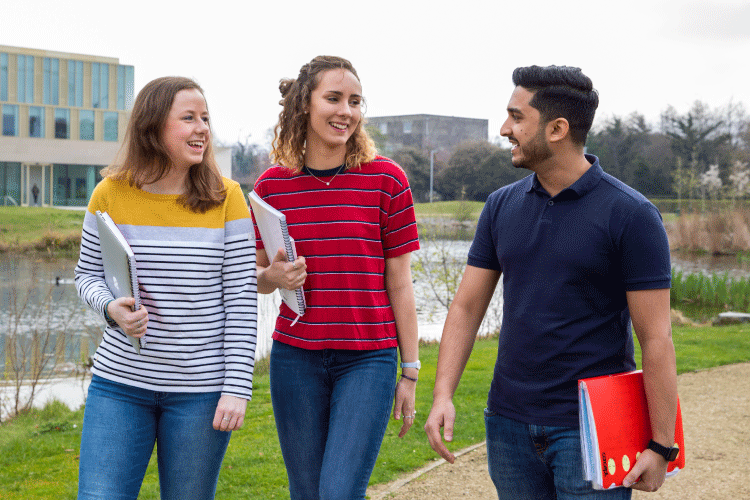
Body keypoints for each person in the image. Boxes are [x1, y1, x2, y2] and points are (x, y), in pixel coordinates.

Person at [424, 65, 678, 499]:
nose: (505, 129)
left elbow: (656, 337)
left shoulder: (632, 215)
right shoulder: (500, 206)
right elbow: (466, 308)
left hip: (592, 428)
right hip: (507, 423)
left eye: (517, 117)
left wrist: (661, 445)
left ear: (557, 129)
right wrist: (442, 394)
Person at [74, 76, 257, 500]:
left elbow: (241, 301)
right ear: (153, 126)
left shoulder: (228, 198)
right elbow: (87, 276)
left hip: (200, 394)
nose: (202, 128)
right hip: (119, 384)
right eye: (188, 118)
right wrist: (110, 308)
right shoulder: (110, 193)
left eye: (205, 118)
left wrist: (236, 387)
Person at [253, 55, 420, 500]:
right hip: (295, 358)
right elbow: (257, 278)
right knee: (306, 492)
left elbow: (400, 283)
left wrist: (410, 370)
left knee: (339, 491)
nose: (346, 111)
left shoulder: (387, 180)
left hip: (368, 359)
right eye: (334, 98)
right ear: (304, 105)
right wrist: (273, 275)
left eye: (355, 101)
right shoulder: (271, 187)